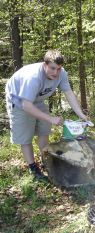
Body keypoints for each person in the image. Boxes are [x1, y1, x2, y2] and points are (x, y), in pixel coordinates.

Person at [5, 50, 88, 180]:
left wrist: (81, 114)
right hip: (19, 101)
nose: (56, 73)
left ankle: (45, 160)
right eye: (52, 68)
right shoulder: (32, 77)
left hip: (36, 100)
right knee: (25, 137)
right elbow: (26, 105)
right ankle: (33, 167)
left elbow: (69, 93)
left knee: (44, 130)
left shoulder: (62, 74)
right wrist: (50, 118)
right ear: (45, 64)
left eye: (59, 69)